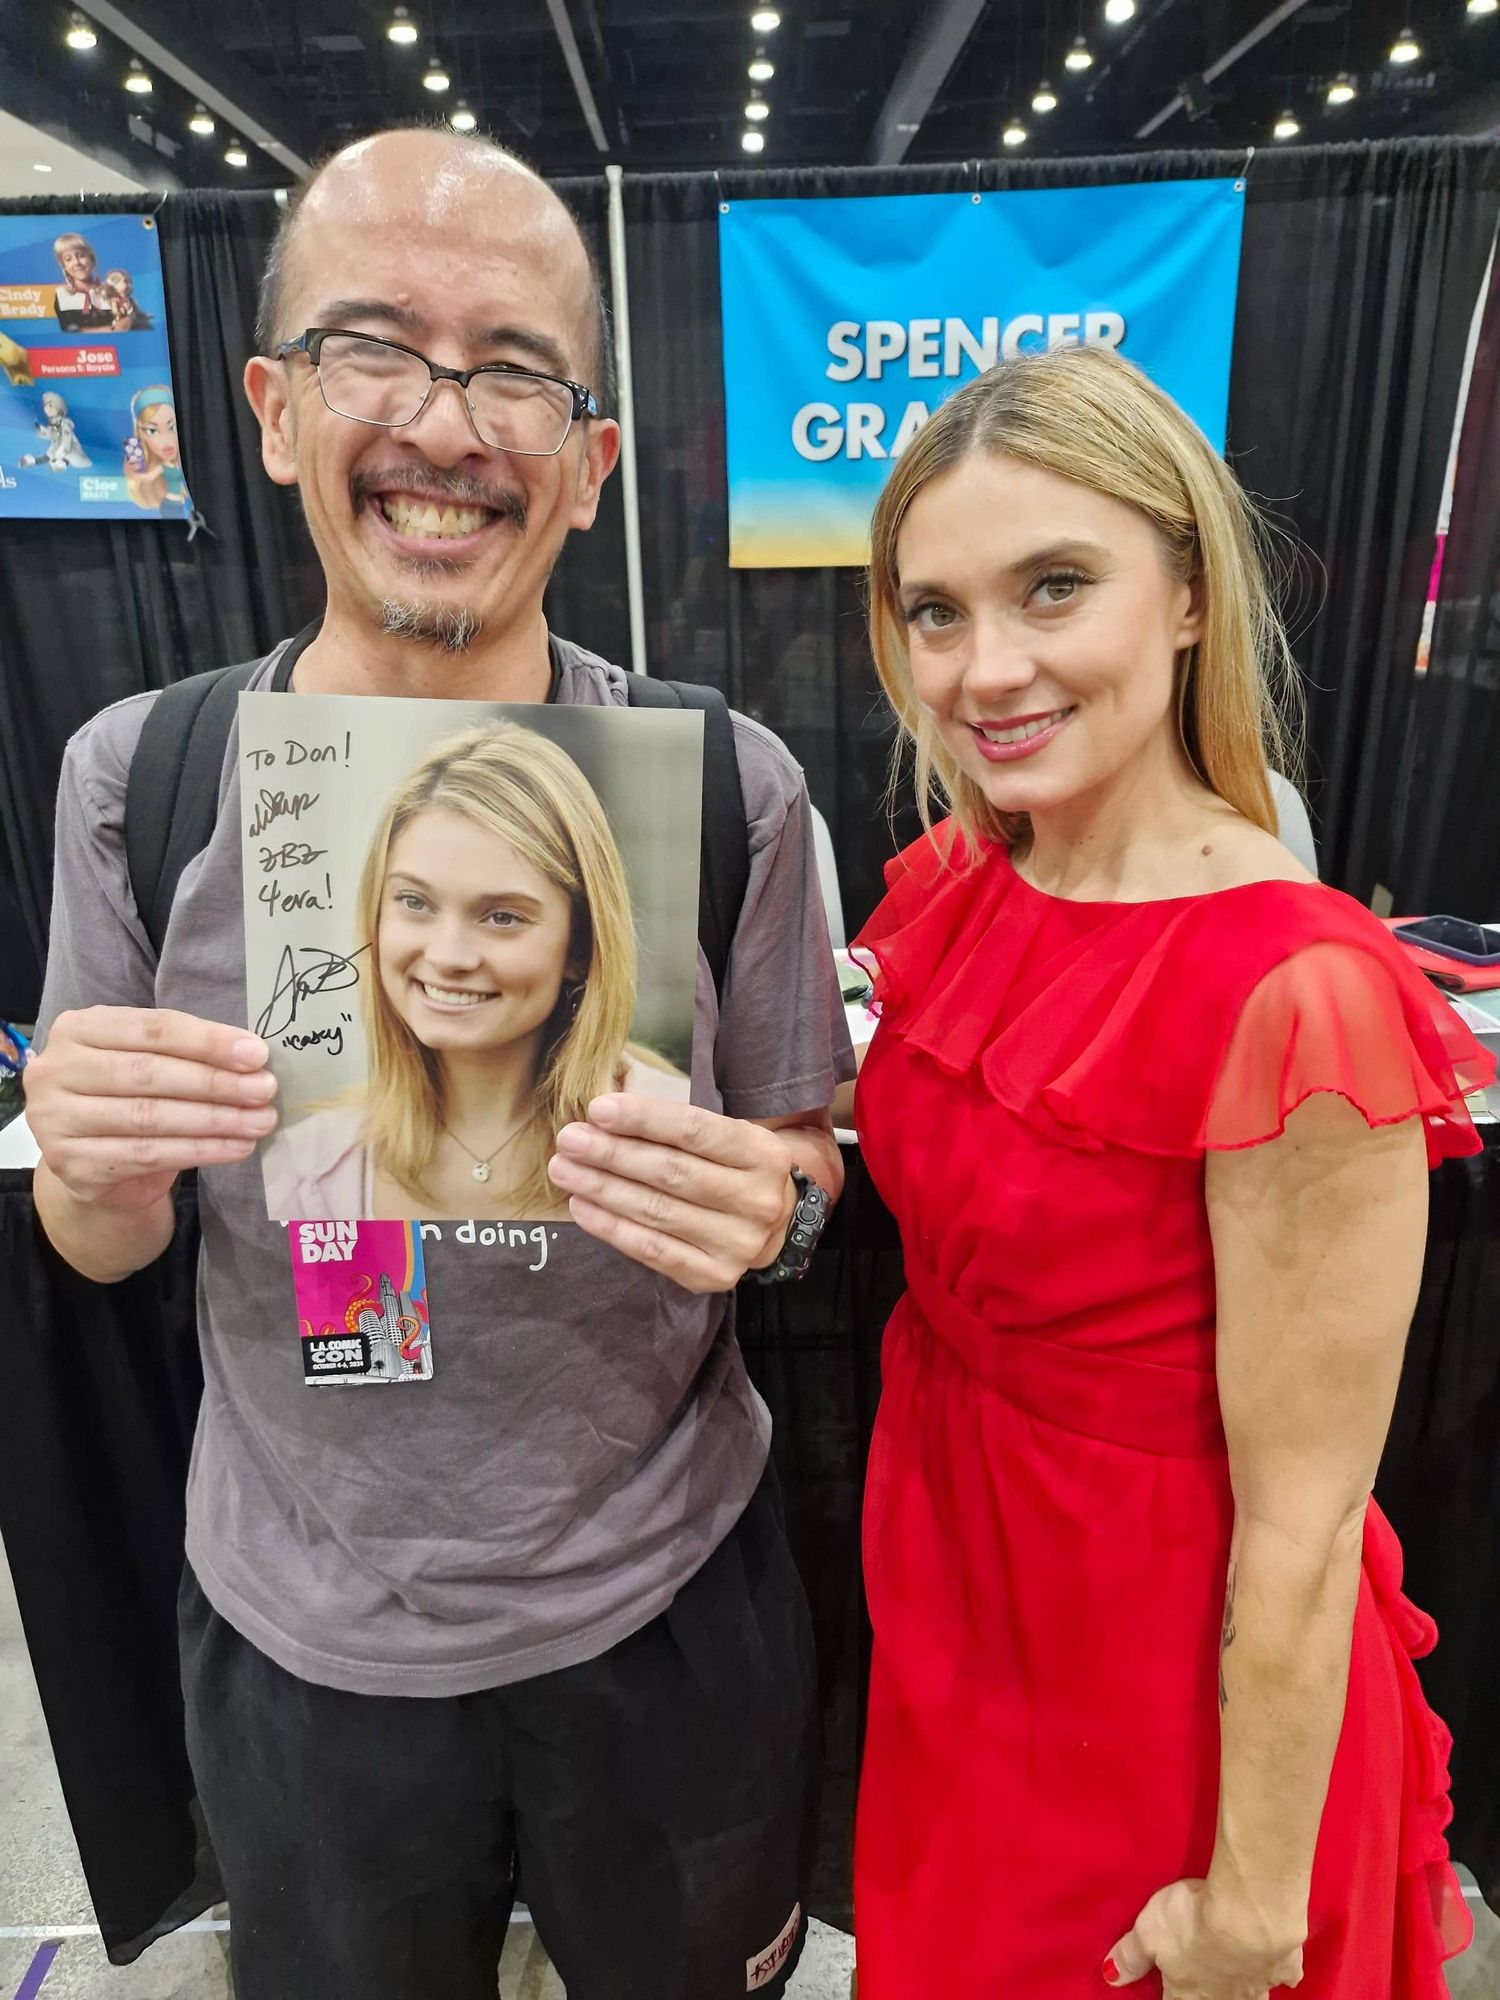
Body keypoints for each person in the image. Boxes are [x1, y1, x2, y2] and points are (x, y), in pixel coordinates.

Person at [24, 126, 851, 2000]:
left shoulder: (727, 789)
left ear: (592, 461)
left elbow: (805, 1160)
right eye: (374, 349)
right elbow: (106, 1243)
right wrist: (92, 1174)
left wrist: (776, 1210)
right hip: (305, 1635)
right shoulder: (139, 779)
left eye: (514, 373)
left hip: (668, 1607)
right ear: (272, 409)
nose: (445, 423)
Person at [849, 346, 1491, 2000]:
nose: (985, 667)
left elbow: (1306, 1522)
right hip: (960, 1599)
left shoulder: (1298, 992)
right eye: (936, 611)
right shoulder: (968, 880)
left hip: (1157, 1680)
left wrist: (1252, 1901)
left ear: (1191, 593)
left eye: (1053, 587)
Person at [261, 719, 685, 1221]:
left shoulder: (678, 1138)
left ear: (580, 946)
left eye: (502, 917)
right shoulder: (308, 1175)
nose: (448, 956)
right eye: (414, 902)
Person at [123, 386, 186, 511]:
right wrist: (131, 474)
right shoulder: (160, 468)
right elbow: (147, 478)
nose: (166, 441)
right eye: (152, 431)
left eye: (172, 427)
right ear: (141, 434)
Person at [51, 232, 113, 331]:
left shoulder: (112, 291)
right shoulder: (62, 295)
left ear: (92, 259)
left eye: (81, 256)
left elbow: (131, 321)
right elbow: (72, 330)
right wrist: (112, 329)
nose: (76, 262)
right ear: (64, 266)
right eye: (68, 259)